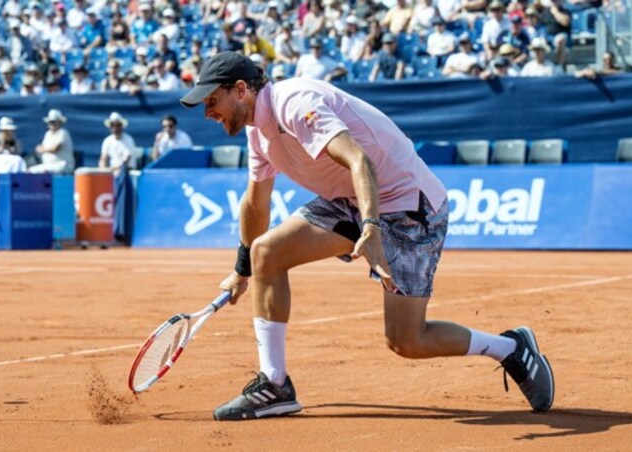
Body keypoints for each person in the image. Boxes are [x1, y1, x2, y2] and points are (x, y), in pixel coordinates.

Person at [180, 51, 555, 420]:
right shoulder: (257, 133)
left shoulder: (296, 102)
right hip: (349, 199)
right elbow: (255, 203)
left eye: (212, 101)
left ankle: (509, 347)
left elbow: (360, 160)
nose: (208, 112)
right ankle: (275, 385)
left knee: (407, 341)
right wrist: (242, 269)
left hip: (408, 205)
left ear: (241, 90)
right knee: (266, 252)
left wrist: (372, 228)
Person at [29, 109, 75, 174]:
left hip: (63, 165)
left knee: (44, 172)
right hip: (48, 165)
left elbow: (55, 148)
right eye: (50, 122)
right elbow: (40, 148)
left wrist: (42, 150)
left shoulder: (63, 133)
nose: (51, 124)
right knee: (30, 171)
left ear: (60, 122)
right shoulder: (47, 134)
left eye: (54, 122)